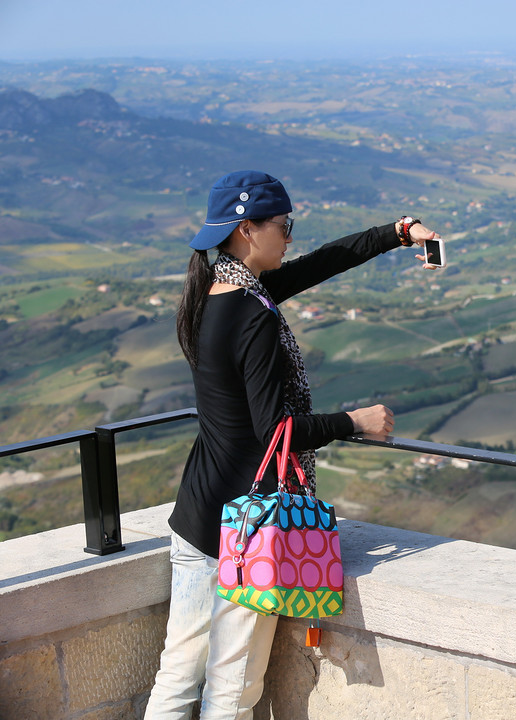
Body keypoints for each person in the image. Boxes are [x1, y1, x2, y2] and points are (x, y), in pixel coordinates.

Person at [144, 170, 439, 719]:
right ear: (246, 230)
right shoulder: (253, 315)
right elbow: (275, 430)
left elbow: (322, 262)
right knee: (231, 688)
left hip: (197, 513)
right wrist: (357, 420)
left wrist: (398, 232)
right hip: (247, 529)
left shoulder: (219, 293)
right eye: (284, 225)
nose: (290, 236)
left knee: (178, 673)